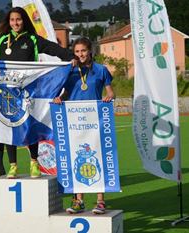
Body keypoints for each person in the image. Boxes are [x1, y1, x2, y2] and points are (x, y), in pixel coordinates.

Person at [0, 6, 75, 179]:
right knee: (9, 126)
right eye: (12, 20)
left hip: (28, 93)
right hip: (5, 92)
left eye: (19, 19)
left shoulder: (32, 39)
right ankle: (13, 165)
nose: (15, 23)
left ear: (24, 21)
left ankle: (34, 162)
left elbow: (53, 48)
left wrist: (69, 56)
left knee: (29, 126)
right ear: (8, 22)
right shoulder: (1, 40)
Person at [53, 37, 115, 215]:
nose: (80, 54)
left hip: (95, 120)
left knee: (98, 155)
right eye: (77, 51)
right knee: (76, 157)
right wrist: (59, 99)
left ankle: (100, 201)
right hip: (74, 123)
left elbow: (110, 91)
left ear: (90, 51)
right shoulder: (70, 72)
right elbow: (64, 94)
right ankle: (78, 200)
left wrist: (109, 96)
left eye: (83, 51)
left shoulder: (101, 70)